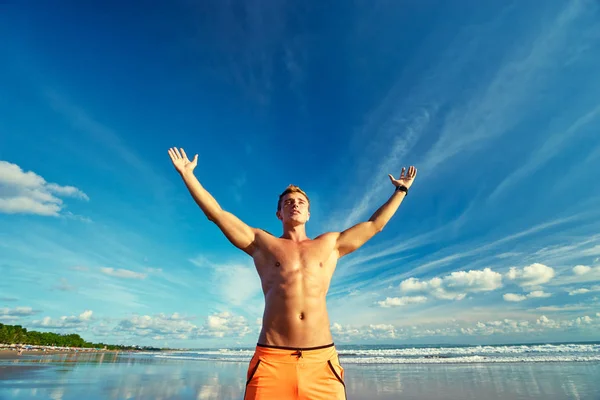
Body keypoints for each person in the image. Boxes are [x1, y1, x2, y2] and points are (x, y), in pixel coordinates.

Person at [168, 147, 417, 400]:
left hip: (321, 362)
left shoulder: (331, 243)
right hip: (271, 361)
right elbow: (217, 215)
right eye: (288, 202)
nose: (294, 204)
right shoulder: (261, 243)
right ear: (279, 214)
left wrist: (402, 189)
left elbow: (375, 225)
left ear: (308, 213)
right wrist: (188, 175)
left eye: (300, 202)